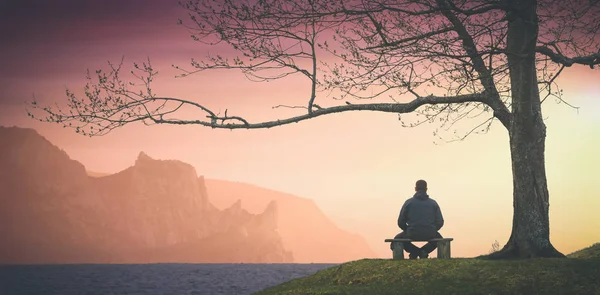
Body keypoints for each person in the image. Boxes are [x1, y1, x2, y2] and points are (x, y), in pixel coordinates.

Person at [392, 179, 444, 259]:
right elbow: (440, 222)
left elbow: (400, 222)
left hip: (412, 232)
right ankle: (423, 251)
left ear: (415, 189)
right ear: (426, 189)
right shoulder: (433, 203)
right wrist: (432, 229)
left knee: (396, 240)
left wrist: (407, 229)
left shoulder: (408, 203)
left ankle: (415, 252)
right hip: (430, 232)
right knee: (440, 240)